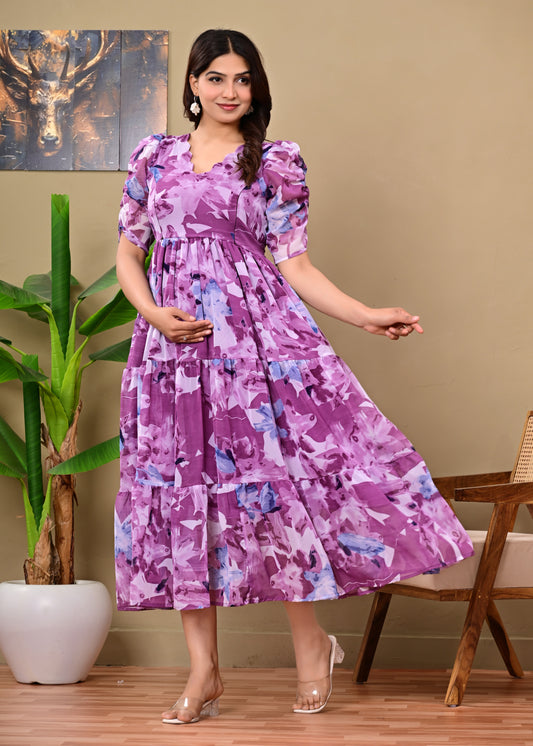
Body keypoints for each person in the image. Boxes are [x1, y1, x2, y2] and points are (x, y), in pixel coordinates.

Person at [114, 28, 474, 725]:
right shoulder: (153, 156)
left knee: (271, 490)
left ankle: (311, 645)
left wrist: (365, 315)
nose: (229, 91)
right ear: (192, 85)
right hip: (170, 353)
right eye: (216, 78)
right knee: (186, 494)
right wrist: (153, 314)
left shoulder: (275, 161)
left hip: (254, 348)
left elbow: (295, 265)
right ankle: (203, 670)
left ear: (257, 88)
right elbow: (129, 251)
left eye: (242, 79)